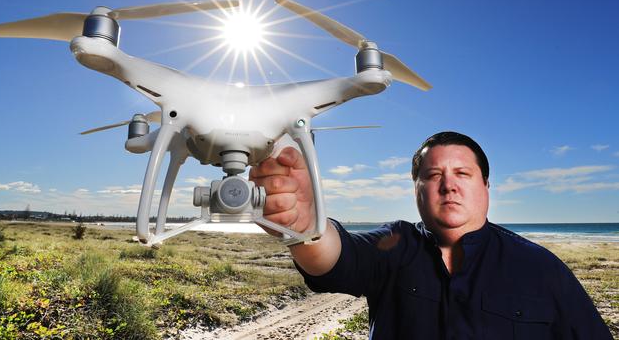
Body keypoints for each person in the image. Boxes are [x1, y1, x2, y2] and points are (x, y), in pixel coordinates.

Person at [249, 131, 612, 339]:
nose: (449, 186)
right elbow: (333, 257)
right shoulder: (396, 246)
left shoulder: (542, 269)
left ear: (486, 186)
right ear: (416, 189)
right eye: (434, 175)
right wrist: (305, 225)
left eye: (463, 174)